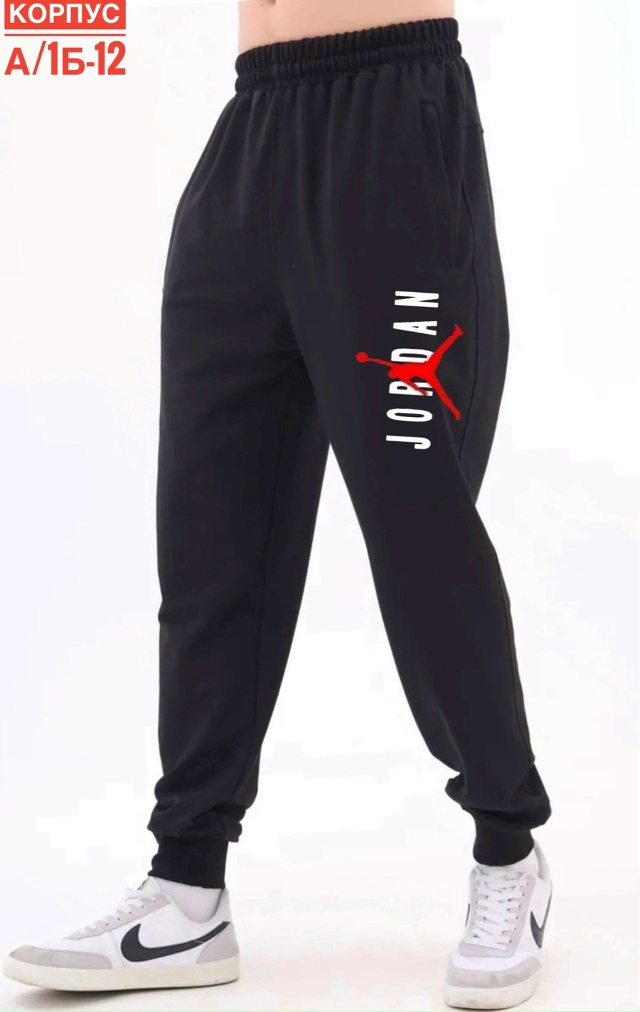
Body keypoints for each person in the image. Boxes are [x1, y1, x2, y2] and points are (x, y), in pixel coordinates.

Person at [3, 1, 553, 1008]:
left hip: (391, 126)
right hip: (249, 132)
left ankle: (507, 850)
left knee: (417, 526)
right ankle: (187, 887)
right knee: (209, 538)